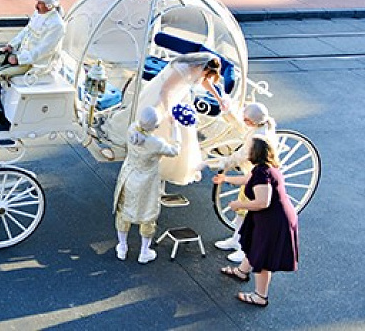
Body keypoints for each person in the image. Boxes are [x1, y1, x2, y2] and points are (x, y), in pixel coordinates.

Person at [110, 52, 222, 185]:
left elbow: (204, 81)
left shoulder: (200, 70)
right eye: (207, 74)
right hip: (163, 98)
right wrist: (169, 112)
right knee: (161, 126)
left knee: (185, 133)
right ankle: (152, 158)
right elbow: (165, 91)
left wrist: (219, 98)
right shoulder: (183, 69)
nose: (205, 77)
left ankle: (173, 166)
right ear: (205, 68)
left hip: (179, 96)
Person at [216, 137, 299, 308]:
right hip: (270, 217)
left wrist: (238, 204)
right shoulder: (263, 168)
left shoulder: (262, 173)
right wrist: (224, 179)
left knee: (263, 258)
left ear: (255, 153)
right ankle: (242, 271)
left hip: (273, 221)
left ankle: (261, 296)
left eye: (248, 149)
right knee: (255, 246)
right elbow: (246, 179)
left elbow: (263, 202)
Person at [114, 106, 181, 264]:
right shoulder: (156, 143)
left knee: (123, 211)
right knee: (147, 215)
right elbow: (175, 151)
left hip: (128, 176)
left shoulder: (132, 129)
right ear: (155, 127)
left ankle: (122, 247)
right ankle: (144, 251)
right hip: (147, 182)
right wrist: (175, 128)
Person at [215, 103, 279, 263]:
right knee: (241, 213)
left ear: (252, 121)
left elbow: (242, 156)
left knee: (249, 215)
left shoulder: (258, 138)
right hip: (250, 176)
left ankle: (244, 249)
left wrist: (224, 162)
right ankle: (236, 239)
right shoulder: (260, 128)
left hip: (255, 180)